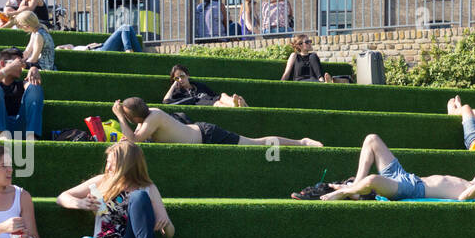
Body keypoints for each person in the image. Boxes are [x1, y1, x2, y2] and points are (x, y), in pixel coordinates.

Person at [57, 140, 177, 238]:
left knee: (139, 196)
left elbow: (170, 233)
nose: (107, 167)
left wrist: (166, 223)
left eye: (112, 163)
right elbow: (62, 197)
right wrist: (81, 203)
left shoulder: (148, 188)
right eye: (107, 162)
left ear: (126, 164)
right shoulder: (102, 181)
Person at [317, 134, 475, 201]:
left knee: (372, 180)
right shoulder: (474, 181)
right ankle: (355, 188)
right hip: (407, 176)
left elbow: (464, 197)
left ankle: (345, 192)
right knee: (372, 139)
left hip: (413, 189)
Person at [111, 97, 321, 148]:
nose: (126, 119)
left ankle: (301, 142)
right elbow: (132, 138)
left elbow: (136, 140)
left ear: (133, 116)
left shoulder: (154, 116)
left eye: (127, 116)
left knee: (256, 144)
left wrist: (120, 117)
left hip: (208, 134)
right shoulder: (146, 118)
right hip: (200, 132)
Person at [0, 47, 43, 138]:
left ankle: (32, 137)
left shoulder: (22, 84)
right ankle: (1, 135)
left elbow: (34, 91)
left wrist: (33, 68)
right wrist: (8, 69)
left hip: (18, 130)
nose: (20, 67)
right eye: (17, 63)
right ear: (3, 63)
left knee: (34, 87)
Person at [163, 64, 246, 108]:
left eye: (182, 76)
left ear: (187, 75)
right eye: (177, 78)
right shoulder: (178, 92)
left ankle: (235, 104)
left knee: (223, 95)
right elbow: (165, 102)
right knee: (218, 103)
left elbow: (215, 95)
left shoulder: (198, 85)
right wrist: (173, 85)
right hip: (202, 102)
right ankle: (235, 106)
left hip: (211, 99)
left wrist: (223, 97)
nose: (180, 80)